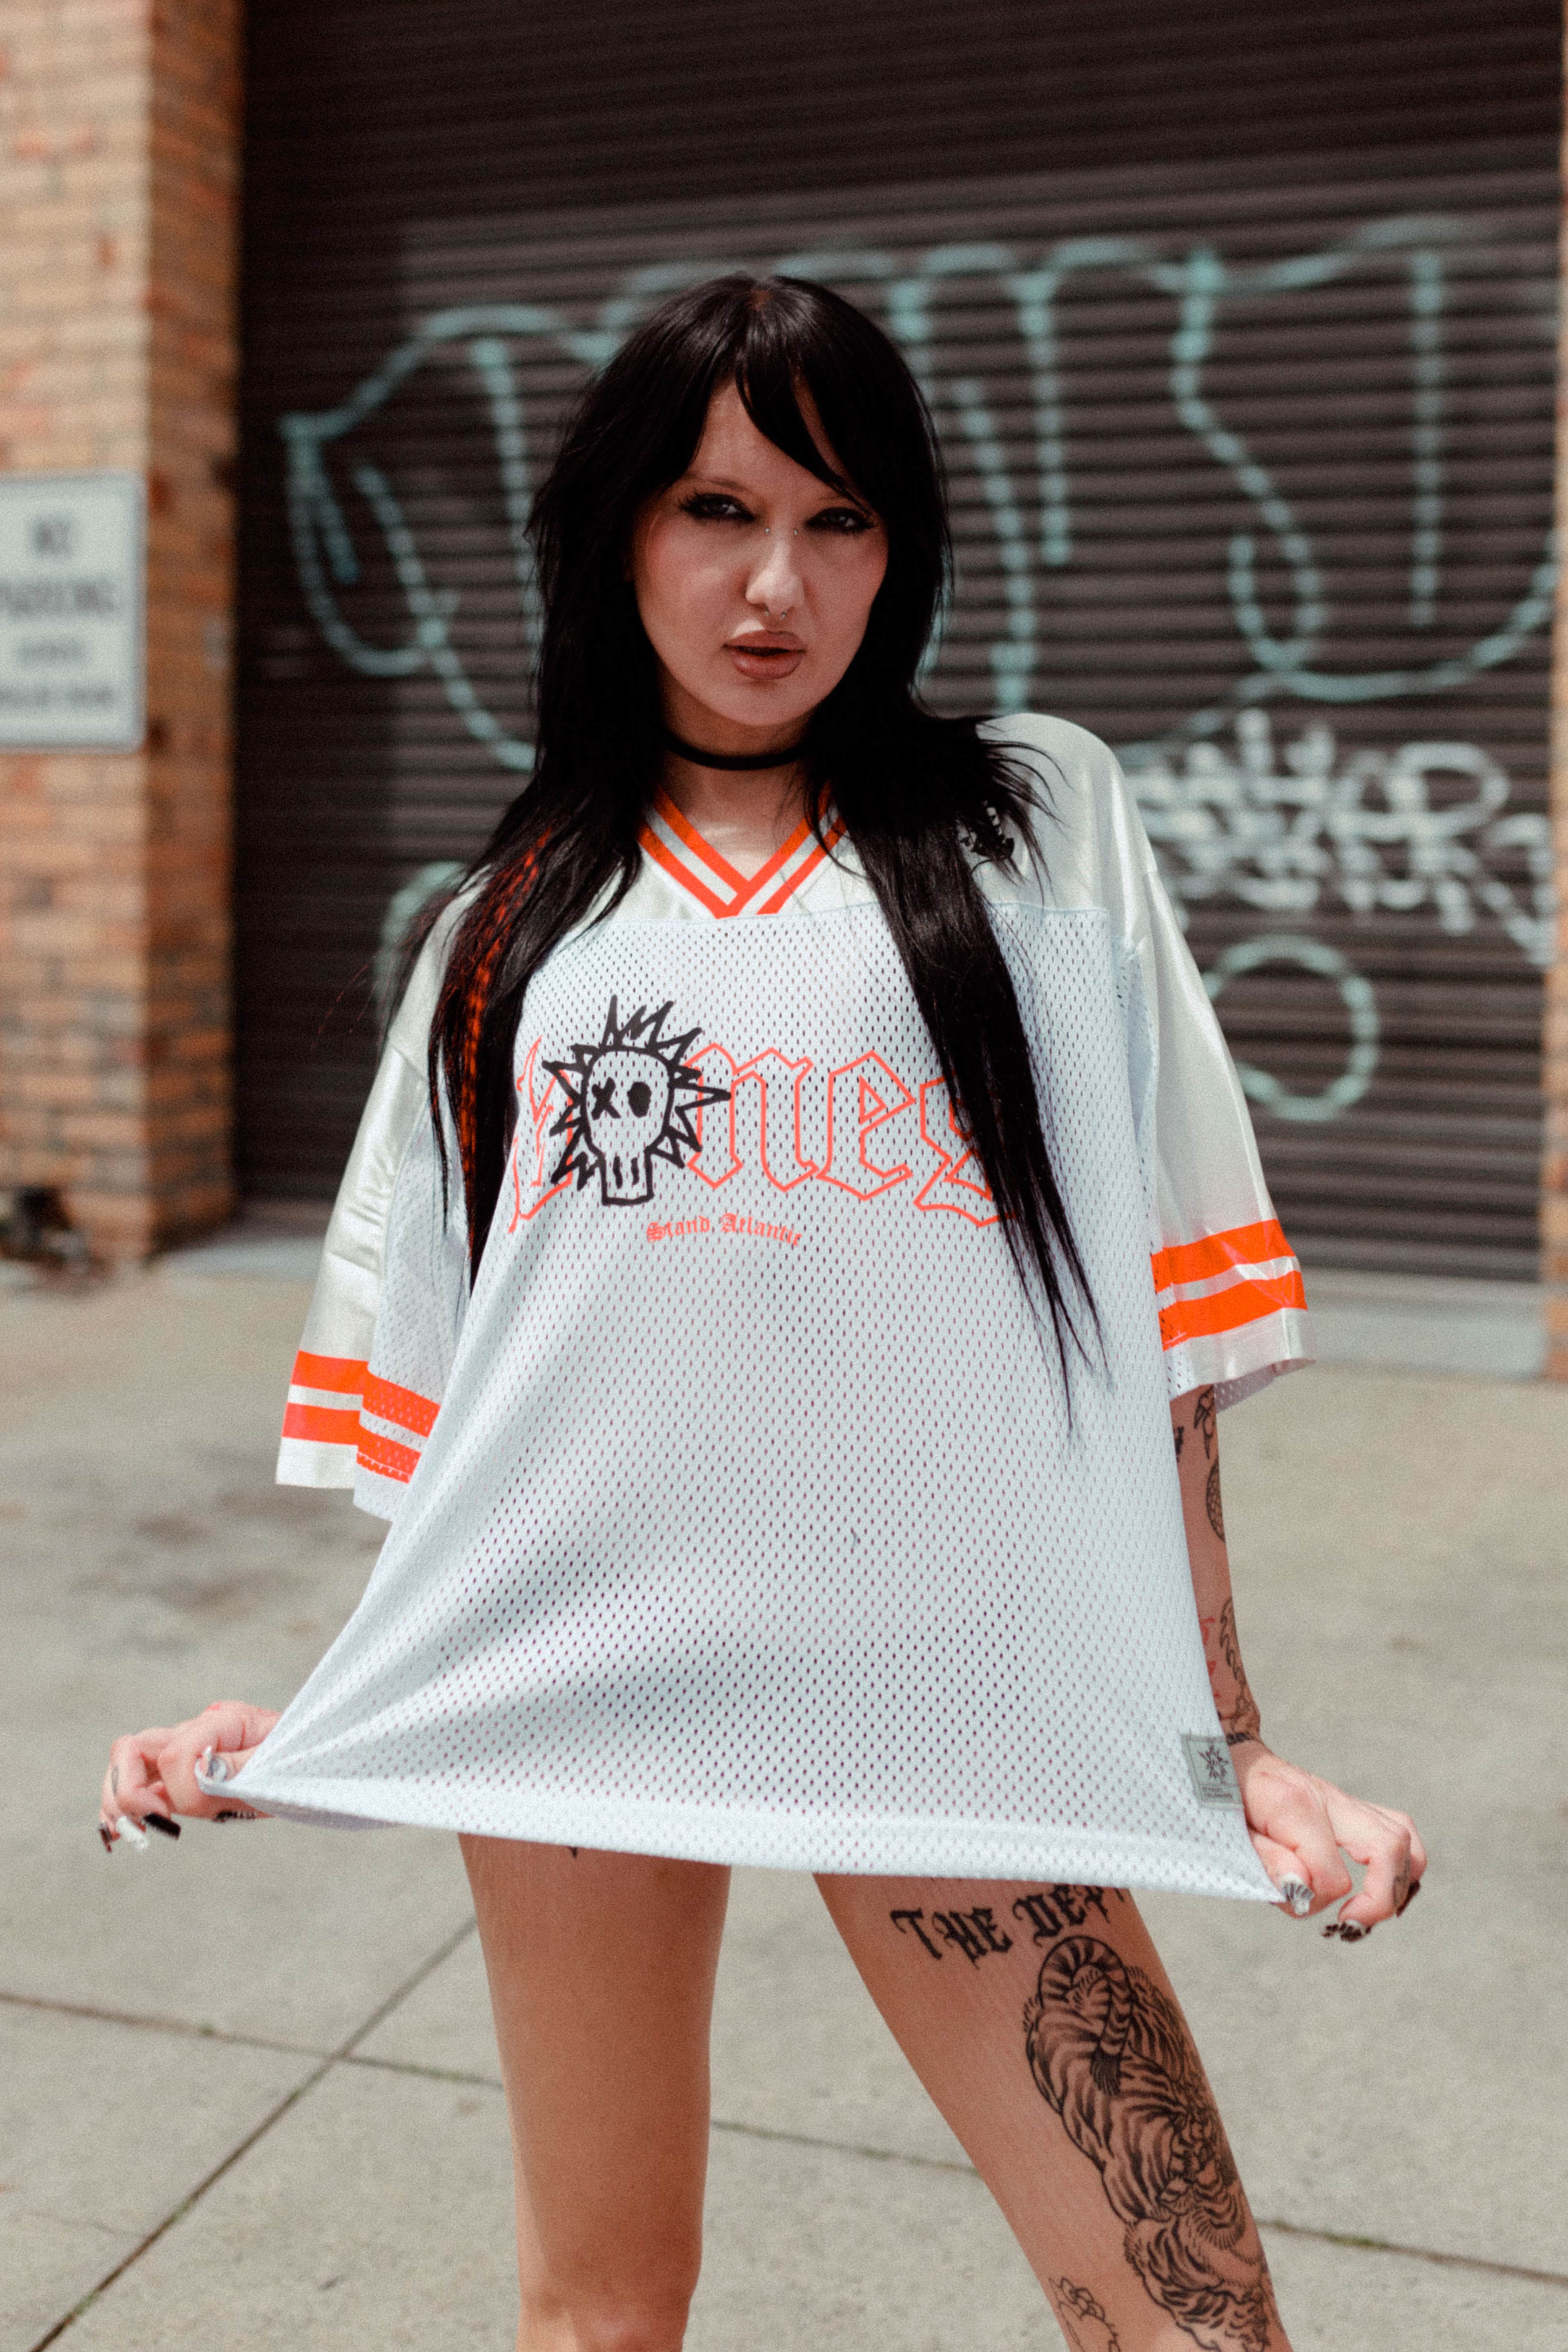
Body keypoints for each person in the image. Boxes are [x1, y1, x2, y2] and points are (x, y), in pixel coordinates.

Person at [102, 275, 1425, 2352]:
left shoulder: (1034, 821)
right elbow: (486, 1418)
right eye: (716, 512)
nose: (776, 587)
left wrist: (1225, 1738)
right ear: (620, 534)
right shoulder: (503, 936)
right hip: (581, 1699)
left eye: (838, 520)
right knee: (603, 2314)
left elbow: (1161, 1318)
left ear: (900, 551)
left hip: (952, 1680)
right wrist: (356, 1707)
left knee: (1196, 2326)